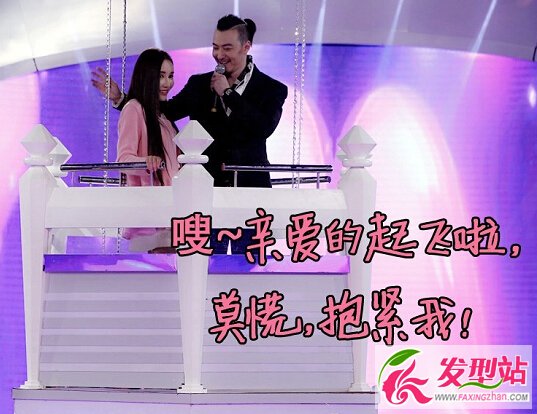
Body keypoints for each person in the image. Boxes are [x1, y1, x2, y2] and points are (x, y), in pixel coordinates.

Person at [93, 14, 288, 188]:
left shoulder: (272, 89)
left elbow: (263, 127)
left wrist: (227, 93)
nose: (219, 55)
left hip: (250, 188)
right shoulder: (199, 84)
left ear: (246, 47)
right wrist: (122, 100)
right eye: (215, 47)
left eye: (227, 48)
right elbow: (167, 111)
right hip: (205, 189)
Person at [115, 48, 180, 251]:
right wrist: (147, 162)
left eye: (170, 76)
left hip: (170, 215)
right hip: (147, 221)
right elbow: (123, 159)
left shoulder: (163, 117)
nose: (167, 83)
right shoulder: (133, 109)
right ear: (147, 76)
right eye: (161, 76)